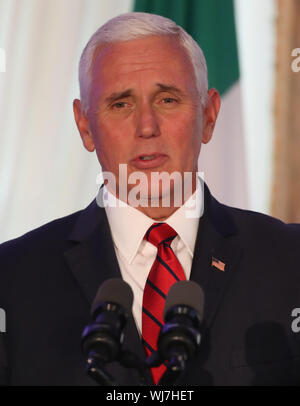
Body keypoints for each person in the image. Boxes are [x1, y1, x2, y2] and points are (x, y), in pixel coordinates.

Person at [0, 12, 300, 386]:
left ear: (208, 115)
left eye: (168, 99)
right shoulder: (11, 279)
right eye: (121, 104)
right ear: (84, 125)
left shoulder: (290, 262)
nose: (146, 127)